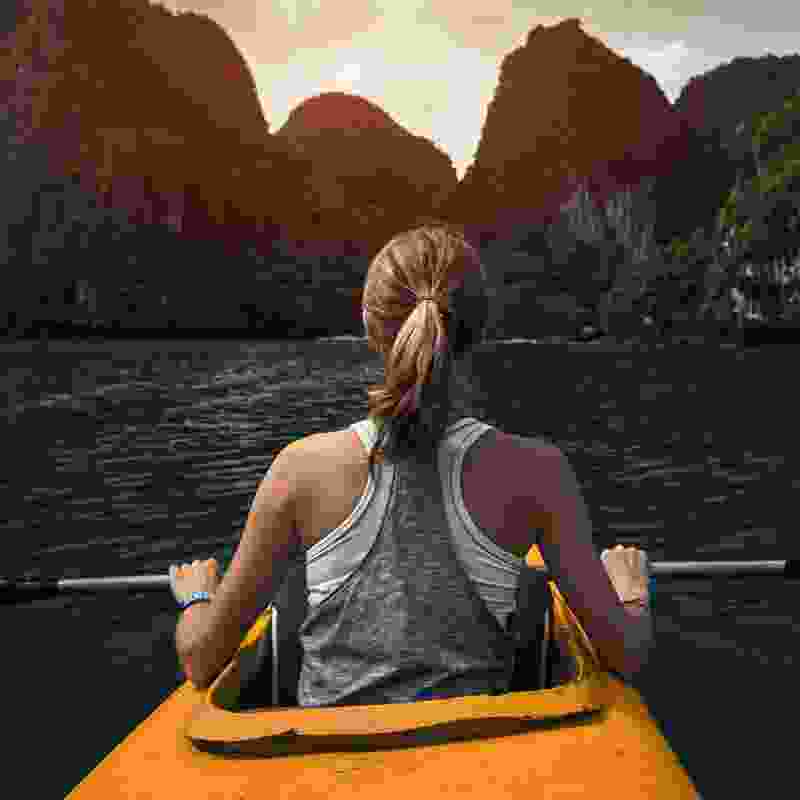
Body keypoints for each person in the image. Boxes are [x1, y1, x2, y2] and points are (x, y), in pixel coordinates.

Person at [170, 222, 653, 701]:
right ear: (479, 330)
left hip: (327, 768)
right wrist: (628, 591)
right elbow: (627, 655)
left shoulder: (299, 470)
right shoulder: (538, 472)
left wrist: (196, 597)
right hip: (478, 768)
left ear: (369, 325)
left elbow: (200, 659)